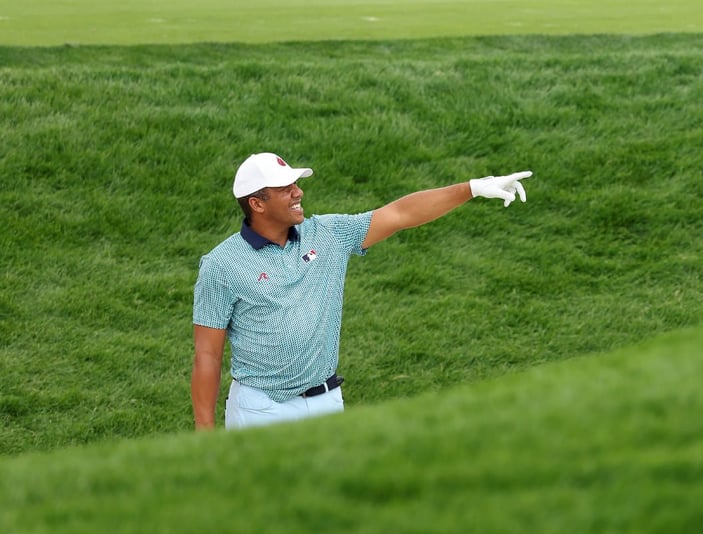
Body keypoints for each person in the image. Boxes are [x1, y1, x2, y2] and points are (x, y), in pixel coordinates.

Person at [191, 152, 531, 431]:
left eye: (296, 184)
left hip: (326, 404)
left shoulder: (328, 234)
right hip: (263, 412)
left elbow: (398, 214)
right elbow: (208, 356)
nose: (298, 192)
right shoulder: (222, 266)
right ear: (258, 203)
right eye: (285, 188)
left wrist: (471, 188)